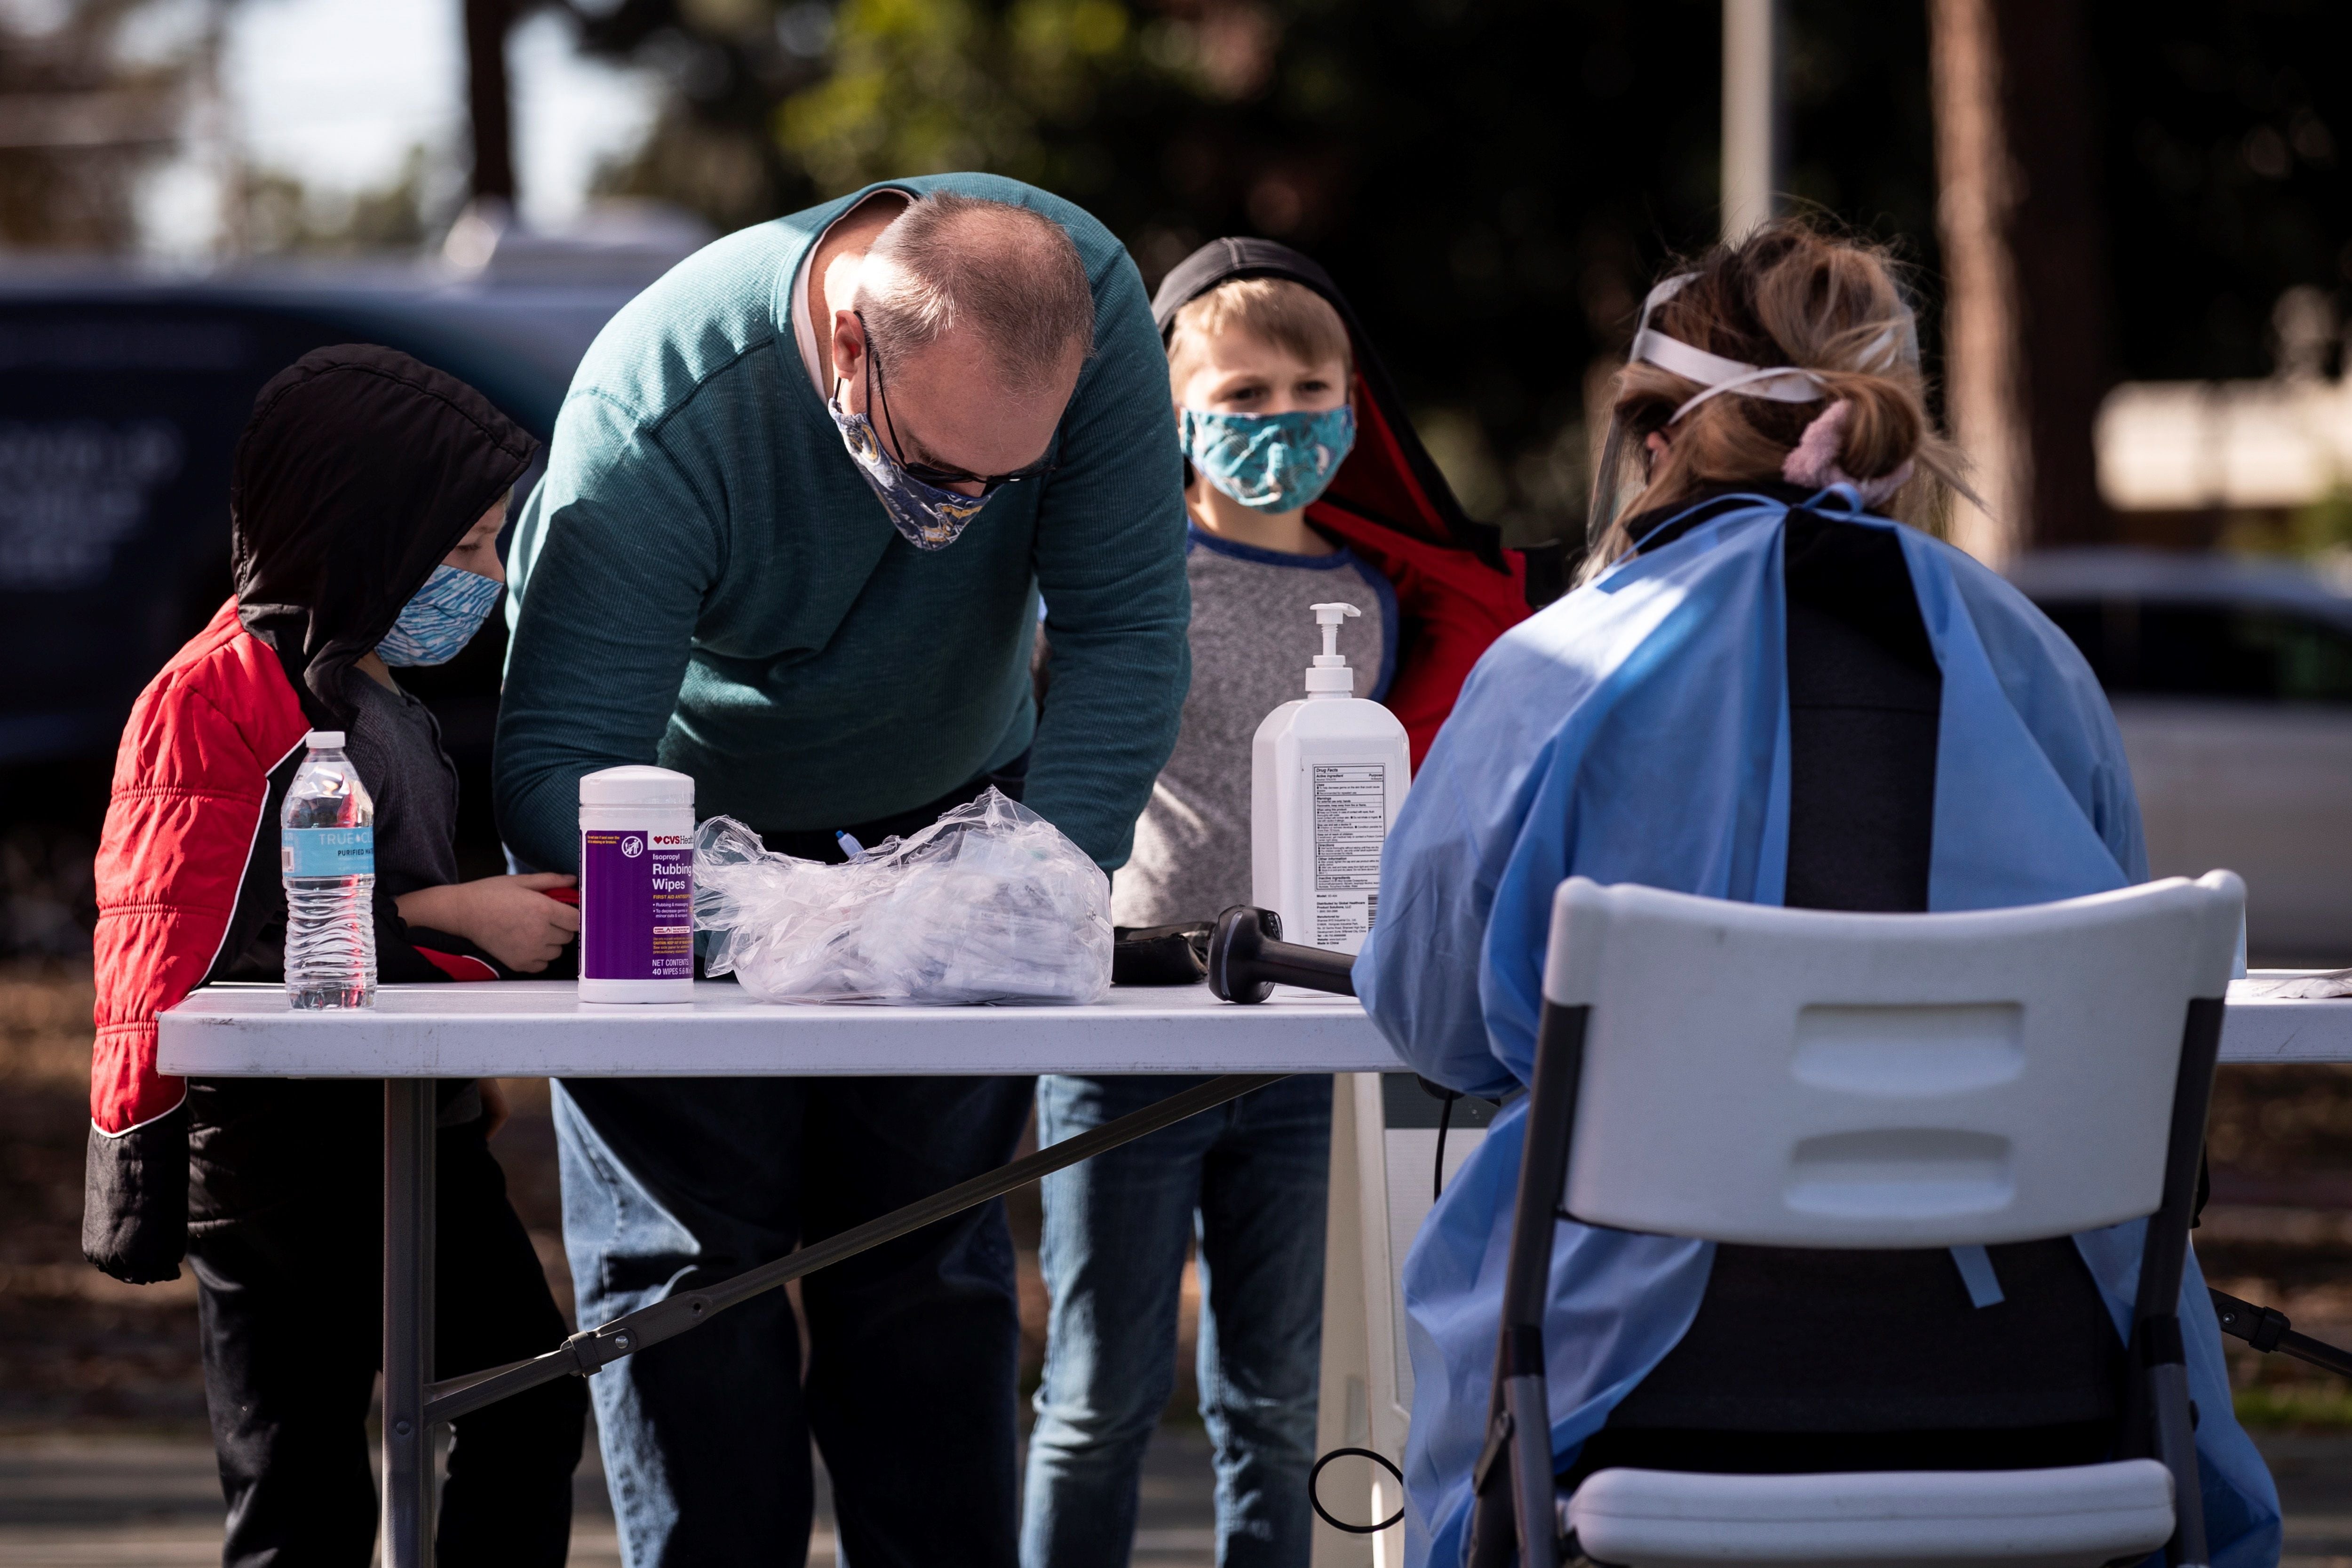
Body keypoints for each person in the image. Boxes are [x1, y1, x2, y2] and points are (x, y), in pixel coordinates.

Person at [1352, 223, 2282, 1568]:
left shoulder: (1554, 671)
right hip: (2053, 1381)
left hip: (1646, 1396)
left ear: (1652, 436)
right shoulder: (2039, 666)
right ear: (1886, 427)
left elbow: (1435, 1025)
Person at [493, 176, 1191, 1567]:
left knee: (928, 1268)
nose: (972, 510)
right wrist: (739, 919)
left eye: (1009, 481)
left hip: (958, 816)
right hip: (689, 842)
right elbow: (557, 771)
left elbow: (1124, 630)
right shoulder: (663, 405)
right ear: (853, 346)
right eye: (941, 472)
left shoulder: (1085, 301)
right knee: (686, 1284)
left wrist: (1040, 880)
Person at [1021, 239, 1538, 1568]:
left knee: (1274, 1404)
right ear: (1171, 408)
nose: (1280, 422)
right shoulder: (1105, 583)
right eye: (1241, 395)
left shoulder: (1374, 595)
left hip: (1304, 1039)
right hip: (1125, 1031)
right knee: (1096, 1400)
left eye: (1312, 391)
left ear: (1357, 407)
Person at [82, 344, 588, 1567]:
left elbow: (381, 895)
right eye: (462, 547)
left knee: (525, 1396)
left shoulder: (380, 691)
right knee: (302, 1490)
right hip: (272, 1152)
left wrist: (477, 926)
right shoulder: (214, 698)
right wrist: (458, 920)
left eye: (491, 548)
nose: (485, 580)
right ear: (360, 529)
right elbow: (211, 947)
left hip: (418, 1126)